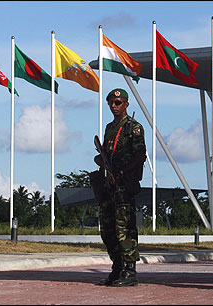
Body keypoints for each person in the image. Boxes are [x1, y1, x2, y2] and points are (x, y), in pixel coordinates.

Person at [89, 88, 146, 287]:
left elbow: (140, 156)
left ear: (126, 104)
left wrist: (121, 172)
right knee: (107, 229)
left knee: (125, 229)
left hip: (124, 185)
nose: (114, 106)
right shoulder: (109, 128)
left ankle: (130, 271)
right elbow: (105, 152)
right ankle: (117, 267)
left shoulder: (134, 127)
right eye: (111, 103)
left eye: (118, 102)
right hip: (108, 185)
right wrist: (102, 161)